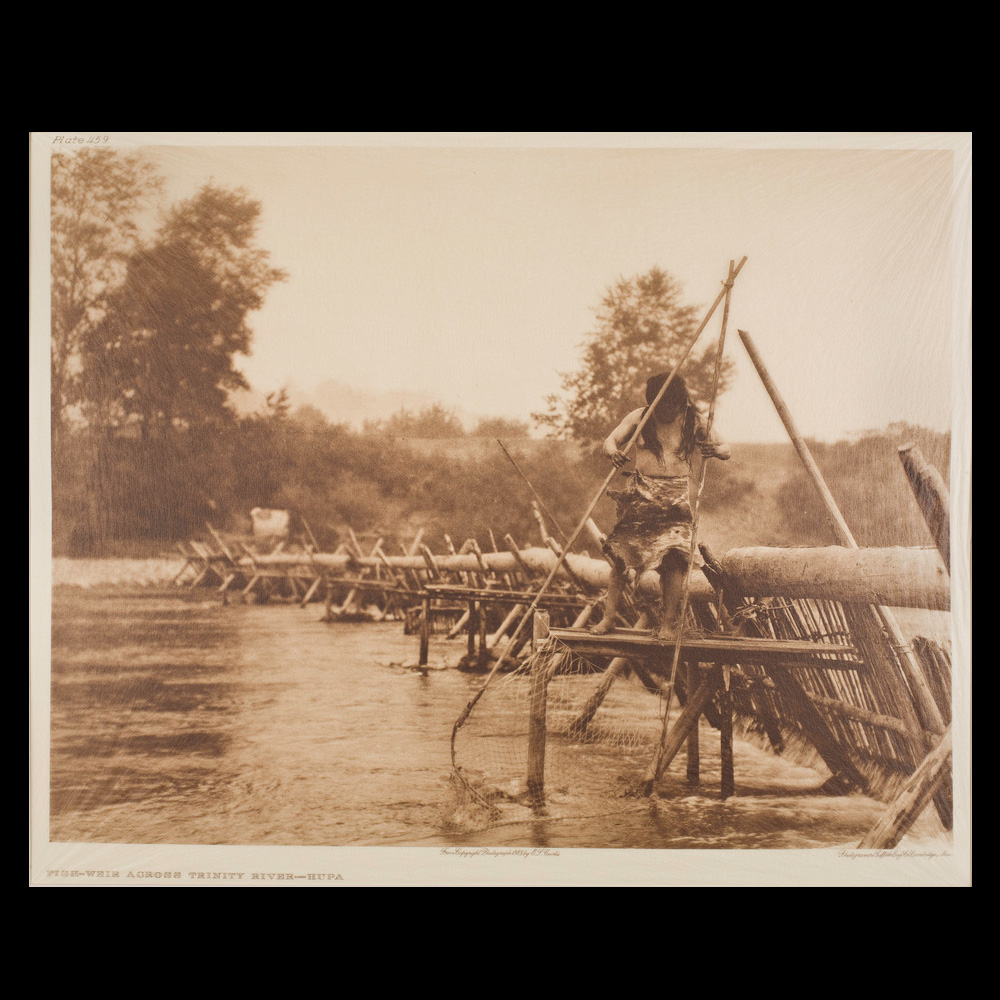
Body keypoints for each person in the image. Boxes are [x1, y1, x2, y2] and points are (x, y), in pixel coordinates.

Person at [590, 370, 731, 639]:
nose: (665, 412)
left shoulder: (694, 420)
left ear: (681, 403)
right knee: (620, 558)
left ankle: (668, 625)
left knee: (674, 563)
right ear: (653, 401)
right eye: (660, 406)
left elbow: (726, 446)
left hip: (675, 498)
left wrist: (717, 451)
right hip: (642, 494)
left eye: (670, 407)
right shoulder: (640, 417)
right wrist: (613, 453)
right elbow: (610, 441)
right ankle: (608, 619)